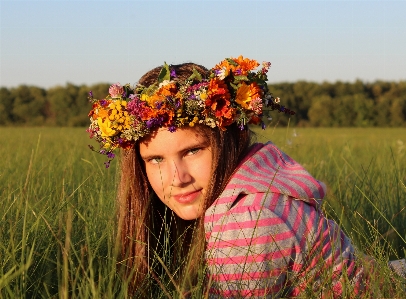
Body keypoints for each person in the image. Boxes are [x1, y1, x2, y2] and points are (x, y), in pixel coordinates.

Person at [87, 56, 405, 297]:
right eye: (155, 159)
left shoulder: (248, 223)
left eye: (193, 151)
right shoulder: (250, 182)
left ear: (227, 139)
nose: (176, 178)